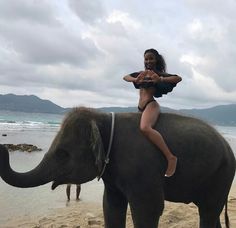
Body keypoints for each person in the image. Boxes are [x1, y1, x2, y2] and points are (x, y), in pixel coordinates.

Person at [123, 48, 182, 177]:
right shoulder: (141, 74)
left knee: (145, 128)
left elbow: (178, 78)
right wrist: (135, 80)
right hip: (140, 108)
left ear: (156, 60)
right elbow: (125, 77)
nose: (148, 61)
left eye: (151, 58)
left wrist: (160, 79)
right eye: (146, 58)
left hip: (151, 105)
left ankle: (171, 157)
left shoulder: (158, 74)